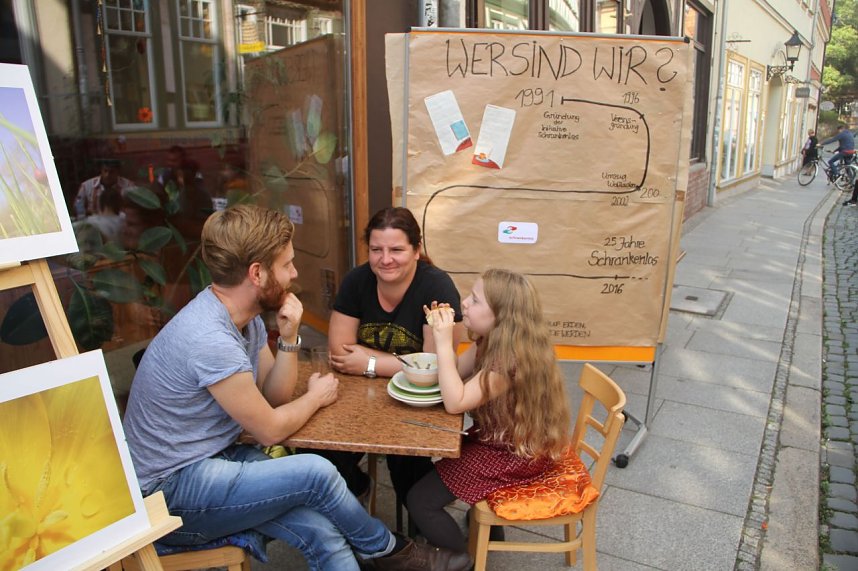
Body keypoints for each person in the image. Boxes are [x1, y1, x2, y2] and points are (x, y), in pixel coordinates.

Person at [122, 205, 470, 571]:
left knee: (321, 526)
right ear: (257, 274)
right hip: (168, 490)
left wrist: (288, 338)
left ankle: (380, 552)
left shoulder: (245, 319)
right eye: (286, 264)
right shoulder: (210, 339)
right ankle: (389, 550)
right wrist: (315, 398)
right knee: (316, 472)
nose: (295, 273)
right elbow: (270, 428)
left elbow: (274, 397)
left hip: (215, 459)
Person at [406, 269, 572, 554]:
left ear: (502, 317)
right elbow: (455, 372)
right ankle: (486, 534)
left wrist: (445, 342)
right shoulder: (491, 341)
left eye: (476, 300)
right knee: (423, 478)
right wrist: (438, 335)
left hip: (514, 455)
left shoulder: (507, 361)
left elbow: (455, 402)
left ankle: (462, 561)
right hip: (503, 440)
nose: (465, 303)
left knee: (419, 499)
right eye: (470, 295)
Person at [324, 207, 465, 506]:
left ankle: (422, 532)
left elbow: (438, 364)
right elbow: (339, 353)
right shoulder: (356, 281)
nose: (385, 259)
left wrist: (370, 362)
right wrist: (407, 362)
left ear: (416, 250)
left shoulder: (436, 286)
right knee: (324, 455)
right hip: (358, 398)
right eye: (376, 249)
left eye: (397, 249)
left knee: (408, 466)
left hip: (416, 402)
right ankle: (356, 495)